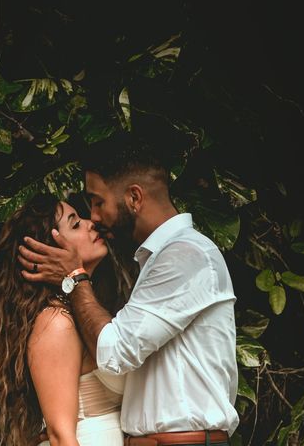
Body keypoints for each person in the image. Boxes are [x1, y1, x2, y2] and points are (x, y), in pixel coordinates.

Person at [18, 140, 239, 446]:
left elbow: (115, 351)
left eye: (97, 202)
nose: (93, 217)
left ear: (134, 197)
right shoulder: (156, 260)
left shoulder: (183, 256)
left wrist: (74, 277)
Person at [0, 193, 126, 446]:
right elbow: (61, 436)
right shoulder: (57, 322)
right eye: (75, 224)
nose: (90, 223)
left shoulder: (80, 312)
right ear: (49, 250)